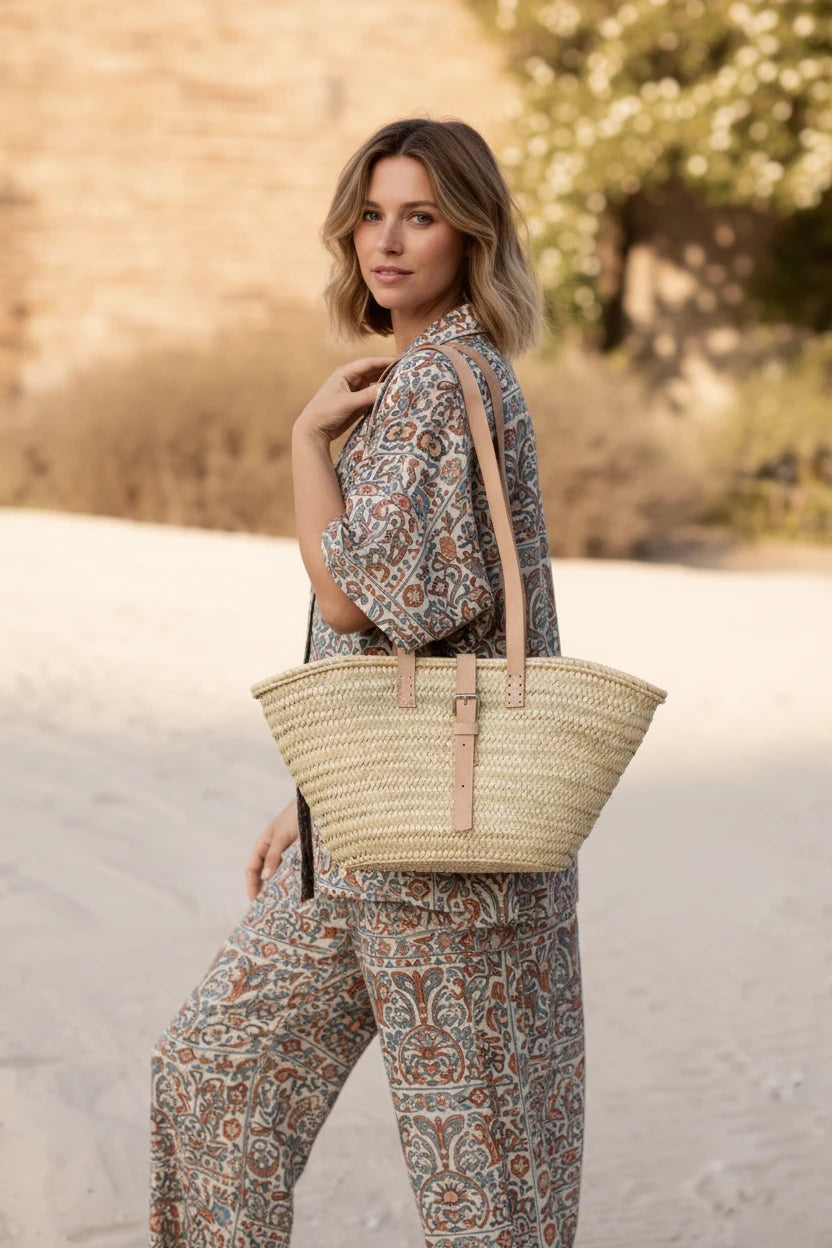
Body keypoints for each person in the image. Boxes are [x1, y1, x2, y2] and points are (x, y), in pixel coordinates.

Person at [149, 117, 584, 1248]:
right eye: (372, 213)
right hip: (364, 835)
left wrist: (304, 444)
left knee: (484, 1194)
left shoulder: (443, 380)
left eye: (421, 216)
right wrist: (307, 798)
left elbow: (359, 599)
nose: (387, 241)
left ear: (471, 236)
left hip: (449, 866)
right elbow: (400, 640)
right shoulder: (404, 380)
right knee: (210, 1079)